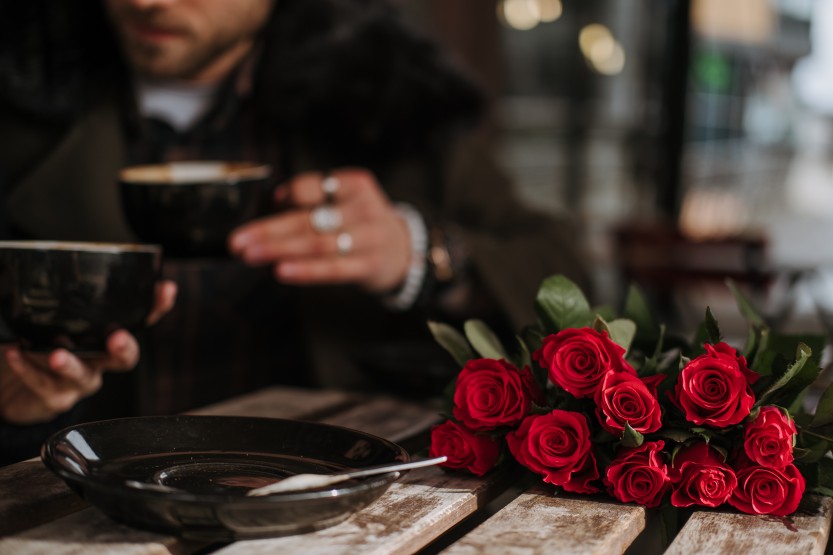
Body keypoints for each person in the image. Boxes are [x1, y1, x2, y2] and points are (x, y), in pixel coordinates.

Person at [0, 0, 589, 465]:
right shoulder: (19, 108)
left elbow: (566, 277)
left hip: (343, 508)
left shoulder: (391, 98)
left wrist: (419, 254)